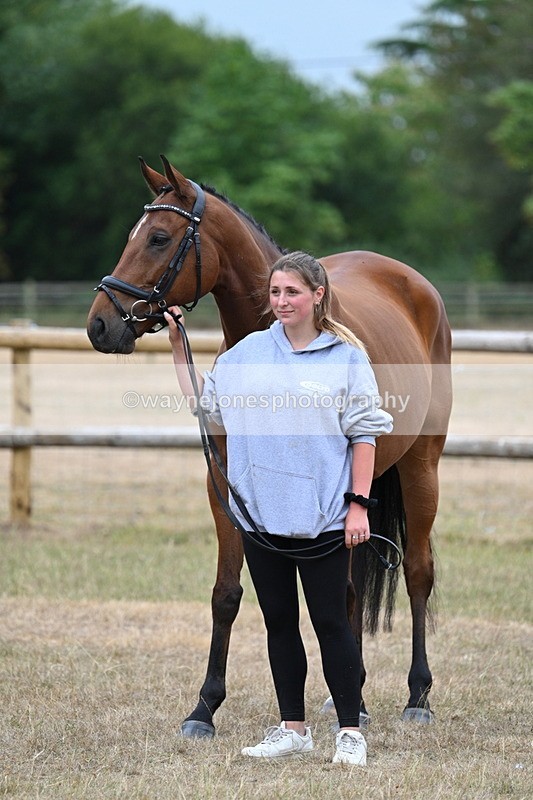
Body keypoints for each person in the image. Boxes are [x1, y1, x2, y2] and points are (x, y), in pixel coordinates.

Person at [164, 251, 393, 765]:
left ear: (318, 295)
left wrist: (358, 506)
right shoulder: (245, 355)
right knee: (279, 624)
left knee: (332, 624)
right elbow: (208, 408)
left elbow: (364, 435)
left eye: (292, 292)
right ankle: (293, 727)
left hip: (323, 520)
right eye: (275, 292)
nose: (282, 301)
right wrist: (180, 348)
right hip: (260, 518)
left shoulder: (346, 358)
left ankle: (350, 731)